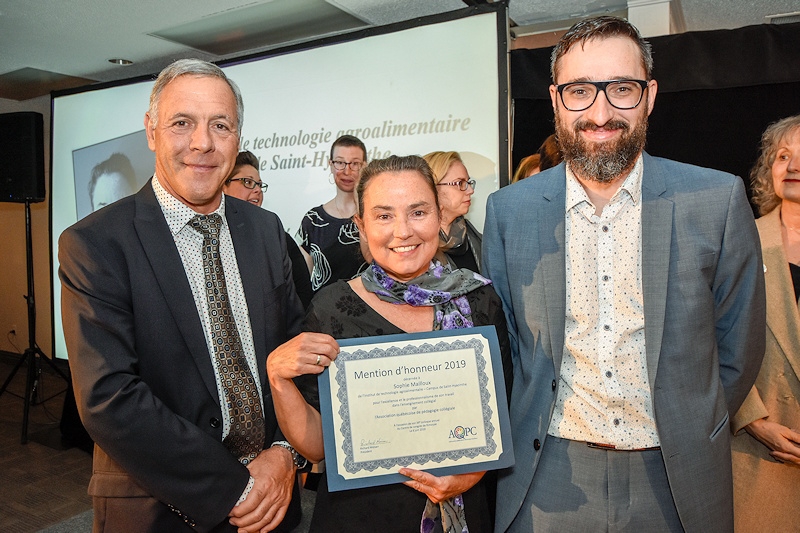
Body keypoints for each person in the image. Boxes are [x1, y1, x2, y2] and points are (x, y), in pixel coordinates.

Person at [482, 16, 766, 532]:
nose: (600, 112)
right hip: (545, 479)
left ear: (649, 96)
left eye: (621, 88)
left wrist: (690, 422)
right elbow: (505, 350)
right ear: (555, 100)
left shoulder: (716, 200)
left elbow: (739, 347)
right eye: (580, 91)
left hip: (675, 479)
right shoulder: (508, 212)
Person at [59, 59, 318, 533]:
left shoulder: (265, 230)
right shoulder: (96, 243)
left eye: (221, 125)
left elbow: (298, 349)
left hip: (274, 501)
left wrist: (286, 452)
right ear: (151, 130)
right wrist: (236, 487)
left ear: (237, 137)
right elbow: (109, 397)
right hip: (159, 510)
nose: (203, 142)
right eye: (182, 123)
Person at [268, 155, 513, 532]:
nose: (403, 231)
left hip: (461, 509)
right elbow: (316, 445)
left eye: (418, 212)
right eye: (384, 216)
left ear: (439, 216)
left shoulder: (480, 300)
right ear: (361, 226)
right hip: (360, 517)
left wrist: (472, 473)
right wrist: (278, 378)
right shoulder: (332, 308)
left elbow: (499, 417)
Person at [731, 114, 800, 532]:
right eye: (783, 156)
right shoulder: (739, 241)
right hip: (758, 456)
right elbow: (710, 343)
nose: (793, 167)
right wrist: (755, 422)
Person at [223, 150, 314, 309]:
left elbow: (303, 297)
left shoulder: (278, 238)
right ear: (223, 186)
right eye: (248, 182)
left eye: (259, 184)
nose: (257, 190)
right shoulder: (211, 237)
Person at [298, 134, 366, 291]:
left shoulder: (375, 217)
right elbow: (301, 280)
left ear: (364, 166)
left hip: (368, 305)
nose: (347, 171)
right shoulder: (313, 220)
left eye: (355, 163)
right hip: (321, 305)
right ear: (331, 165)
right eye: (340, 163)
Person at [423, 151, 482, 272]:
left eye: (468, 182)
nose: (470, 190)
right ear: (432, 188)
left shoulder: (473, 237)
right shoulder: (415, 242)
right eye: (460, 183)